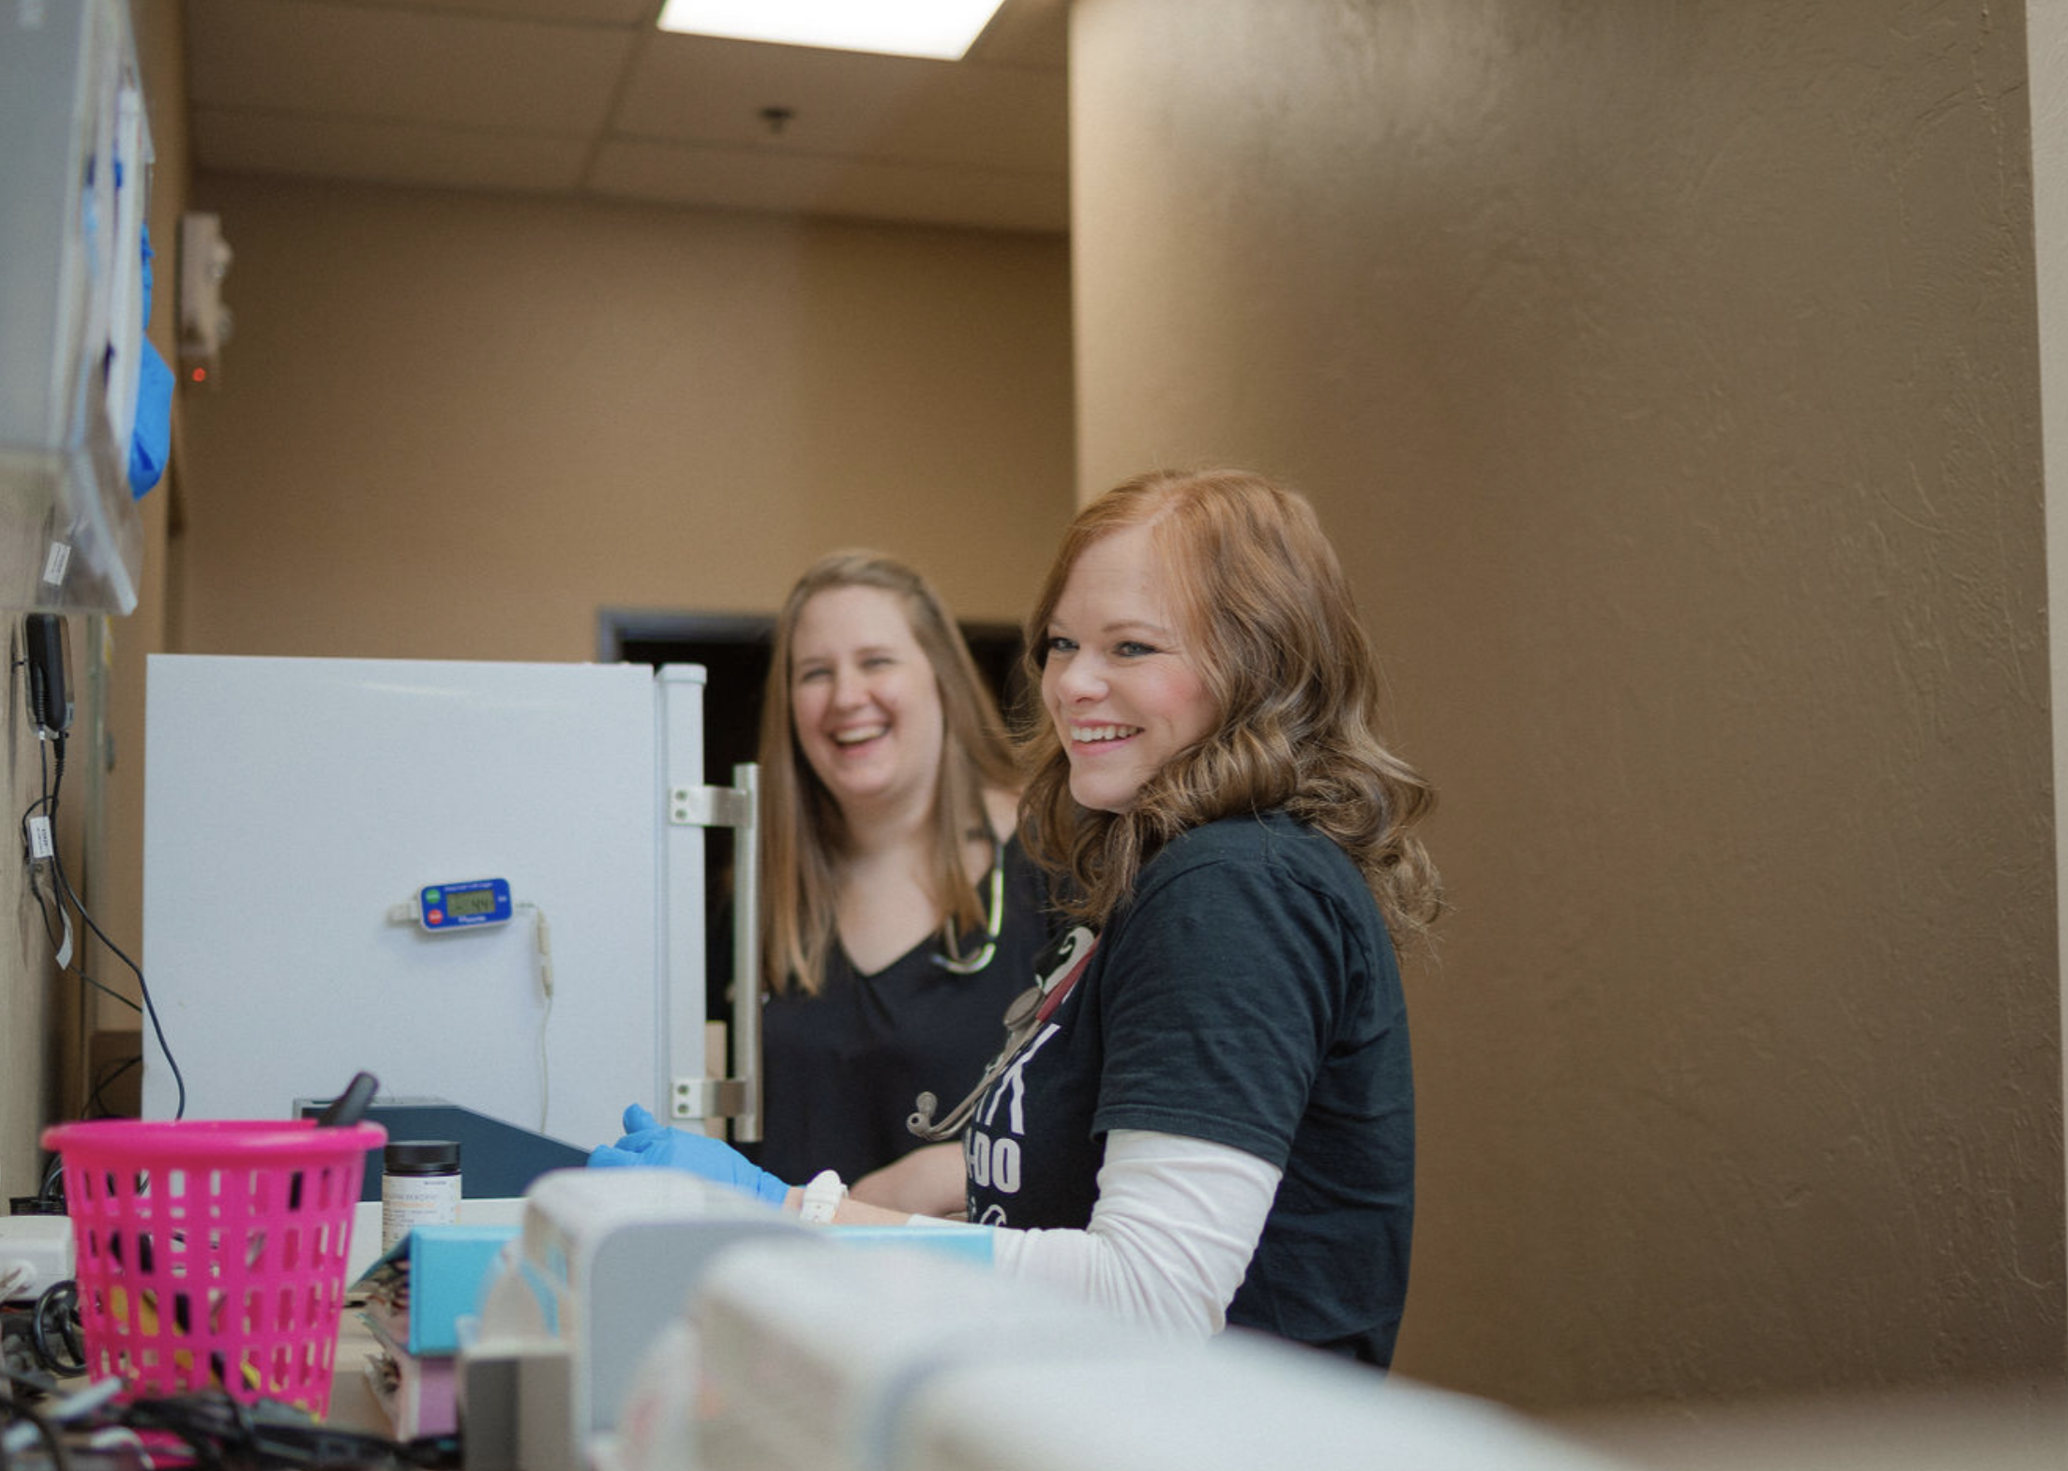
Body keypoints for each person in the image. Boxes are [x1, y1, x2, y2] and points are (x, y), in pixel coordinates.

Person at [596, 470, 1439, 1365]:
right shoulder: (1160, 878)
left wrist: (793, 1216)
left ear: (1256, 665)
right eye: (1064, 643)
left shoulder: (1233, 887)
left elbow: (1148, 1295)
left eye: (1132, 648)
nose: (1073, 682)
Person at [747, 550, 1052, 1201]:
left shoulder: (1055, 863)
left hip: (979, 1290)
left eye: (876, 661)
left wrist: (936, 1173)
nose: (846, 696)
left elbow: (1108, 1128)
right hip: (782, 1289)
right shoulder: (755, 900)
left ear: (941, 675)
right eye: (815, 673)